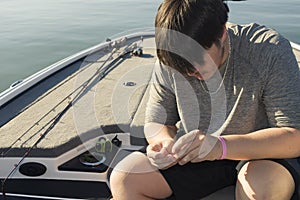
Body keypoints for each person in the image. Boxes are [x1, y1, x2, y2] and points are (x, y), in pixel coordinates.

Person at [109, 0, 300, 199]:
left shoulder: (269, 50)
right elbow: (157, 121)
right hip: (195, 154)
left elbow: (294, 136)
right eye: (181, 67)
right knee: (125, 178)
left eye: (198, 61)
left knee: (262, 189)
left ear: (222, 33)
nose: (190, 72)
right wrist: (164, 144)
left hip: (259, 154)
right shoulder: (172, 56)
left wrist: (220, 147)